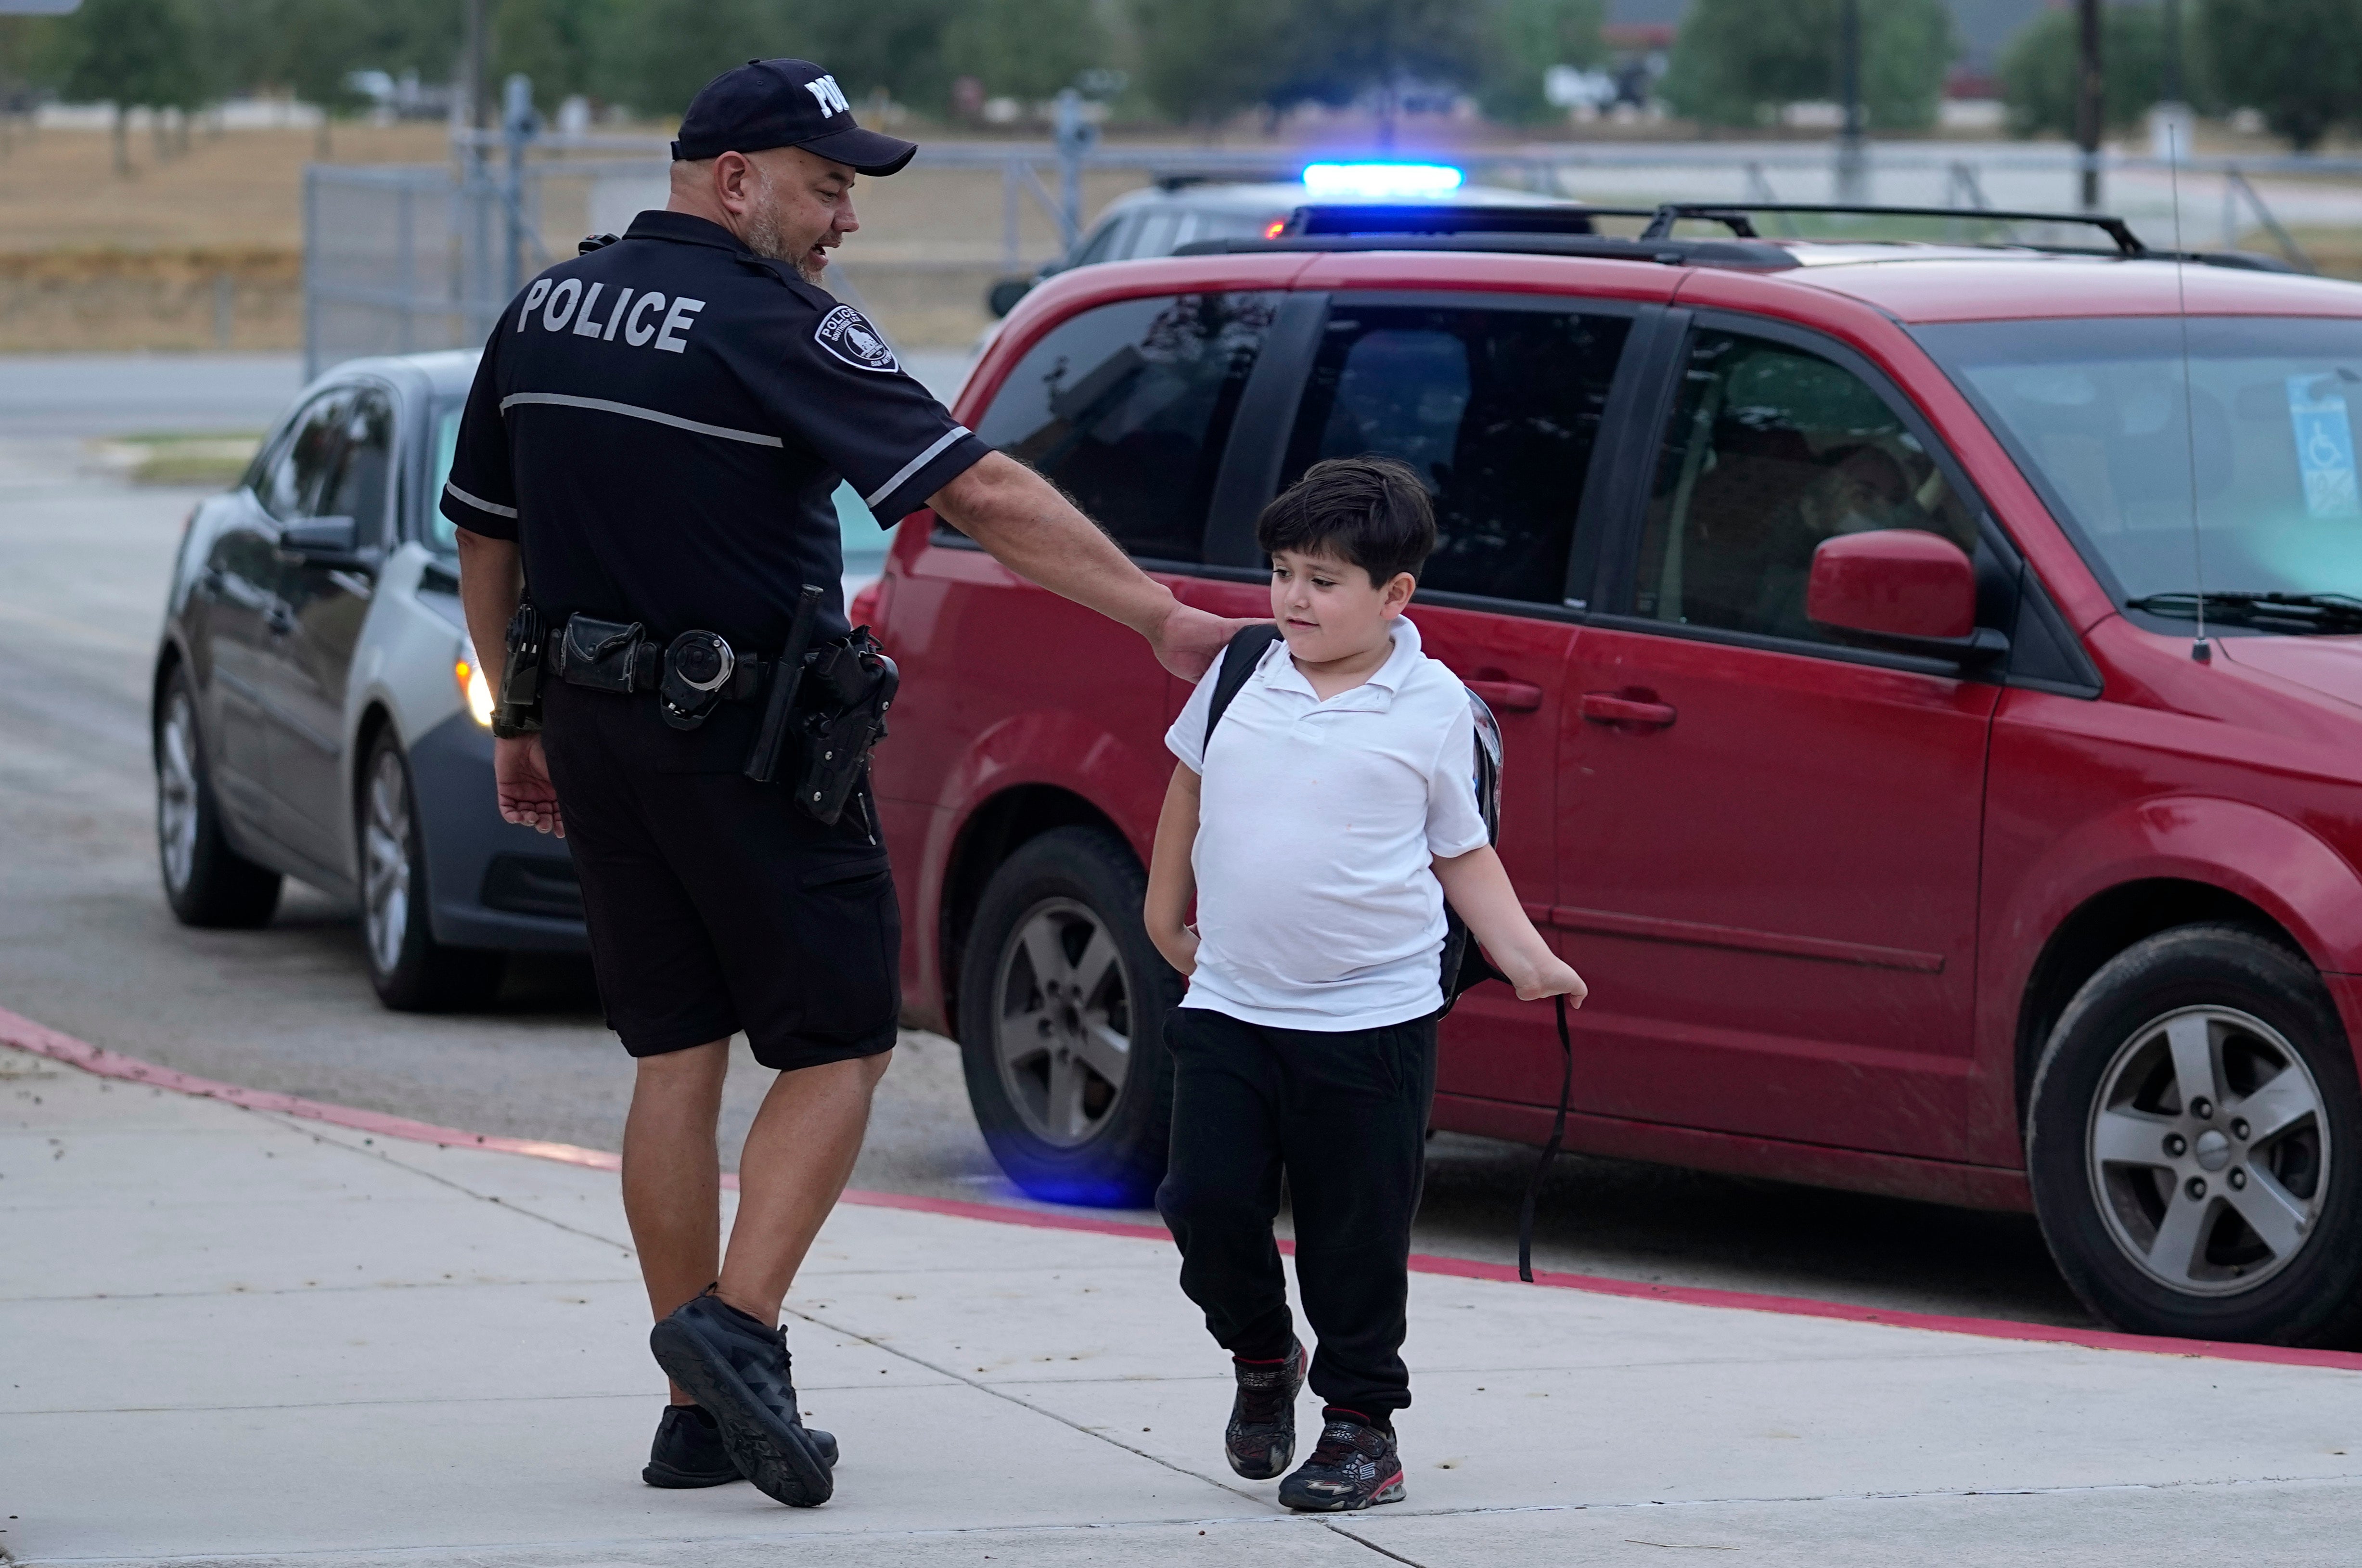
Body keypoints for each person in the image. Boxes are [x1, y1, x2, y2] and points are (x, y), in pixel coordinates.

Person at [442, 57, 1245, 1509]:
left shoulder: (544, 309)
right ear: (734, 180)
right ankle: (736, 1330)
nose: (843, 225)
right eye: (825, 189)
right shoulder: (769, 319)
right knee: (839, 1044)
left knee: (673, 1057)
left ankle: (695, 1415)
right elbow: (975, 488)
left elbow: (485, 537)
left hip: (599, 738)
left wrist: (515, 716)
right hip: (743, 740)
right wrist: (1156, 615)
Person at [1141, 457, 1588, 1512]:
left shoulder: (1437, 709)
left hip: (1370, 1018)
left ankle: (1358, 1429)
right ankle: (1262, 1358)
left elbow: (1462, 854)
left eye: (1324, 580)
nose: (1294, 598)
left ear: (1395, 597)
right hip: (1233, 999)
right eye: (1284, 572)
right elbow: (1188, 784)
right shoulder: (1245, 667)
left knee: (1353, 1231)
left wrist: (1527, 958)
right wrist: (1163, 917)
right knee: (1202, 1201)